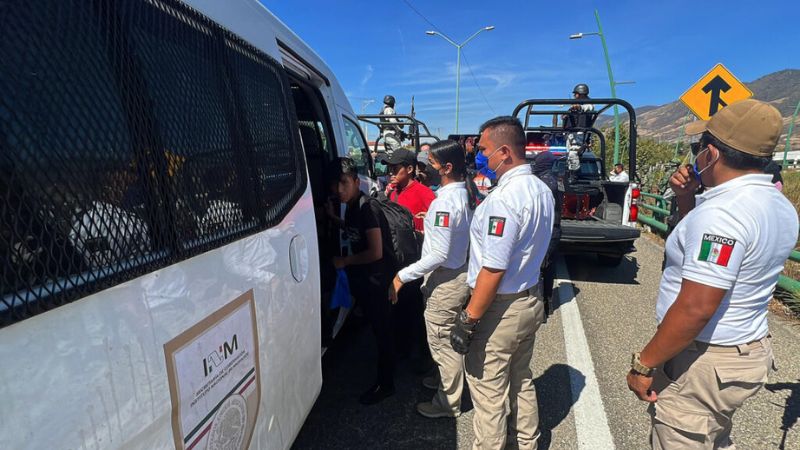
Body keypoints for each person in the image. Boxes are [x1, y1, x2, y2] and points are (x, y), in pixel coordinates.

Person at [626, 99, 798, 449]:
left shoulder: (722, 214)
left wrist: (644, 364)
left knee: (682, 435)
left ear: (713, 154)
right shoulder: (777, 203)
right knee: (714, 435)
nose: (695, 155)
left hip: (705, 358)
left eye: (698, 147)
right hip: (744, 351)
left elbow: (696, 307)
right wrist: (687, 200)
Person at [451, 116, 554, 449]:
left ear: (505, 152)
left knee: (488, 391)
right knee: (521, 378)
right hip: (529, 297)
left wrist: (469, 319)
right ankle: (528, 441)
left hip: (500, 309)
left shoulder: (503, 201)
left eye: (483, 149)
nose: (479, 156)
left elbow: (493, 269)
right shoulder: (541, 189)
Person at [390, 140, 478, 419]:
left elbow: (438, 253)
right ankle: (444, 381)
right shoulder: (460, 194)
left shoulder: (444, 202)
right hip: (457, 271)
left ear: (447, 167)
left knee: (442, 343)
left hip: (446, 278)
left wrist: (401, 277)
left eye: (432, 162)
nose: (427, 166)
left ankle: (448, 403)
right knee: (444, 338)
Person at [327, 157, 397, 405]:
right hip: (367, 279)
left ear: (357, 182)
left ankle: (386, 384)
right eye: (336, 185)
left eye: (344, 183)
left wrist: (344, 262)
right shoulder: (353, 206)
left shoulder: (367, 207)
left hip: (377, 280)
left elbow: (376, 252)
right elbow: (355, 230)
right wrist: (335, 220)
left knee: (382, 332)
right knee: (377, 329)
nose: (339, 190)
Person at [531, 151, 562, 316]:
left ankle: (542, 308)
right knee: (547, 268)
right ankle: (545, 305)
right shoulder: (551, 179)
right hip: (552, 230)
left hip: (549, 230)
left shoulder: (546, 182)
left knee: (542, 268)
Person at [384, 148, 436, 232]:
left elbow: (437, 225)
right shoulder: (392, 192)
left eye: (395, 169)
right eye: (389, 169)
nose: (391, 173)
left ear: (409, 169)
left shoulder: (424, 193)